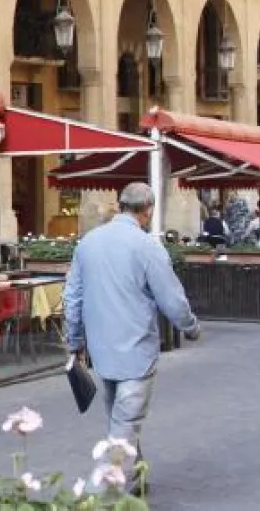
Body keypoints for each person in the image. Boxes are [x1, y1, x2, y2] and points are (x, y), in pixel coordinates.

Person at [63, 182, 200, 489]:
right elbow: (172, 299)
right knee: (122, 429)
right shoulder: (147, 246)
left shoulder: (88, 243)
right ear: (148, 210)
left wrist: (74, 341)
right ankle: (95, 499)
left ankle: (136, 480)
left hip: (102, 351)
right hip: (136, 352)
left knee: (120, 421)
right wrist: (190, 327)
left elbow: (72, 298)